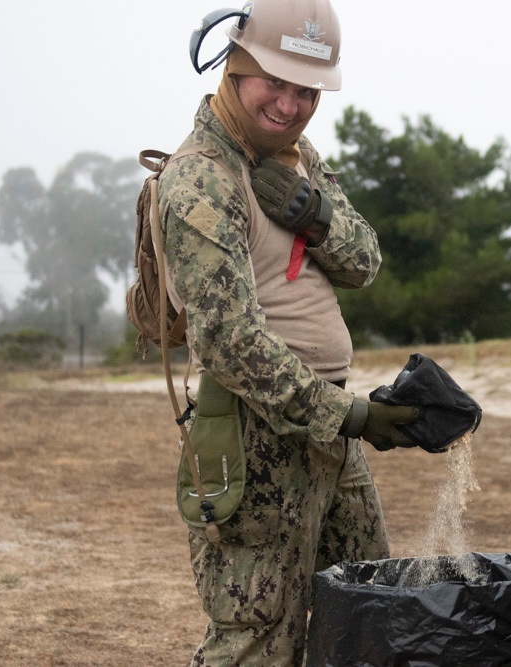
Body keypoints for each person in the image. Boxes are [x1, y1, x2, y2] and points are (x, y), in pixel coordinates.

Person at [157, 1, 419, 664]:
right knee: (258, 644)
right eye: (276, 82)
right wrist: (351, 413)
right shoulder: (200, 178)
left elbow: (365, 261)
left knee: (369, 610)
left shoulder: (297, 159)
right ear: (236, 68)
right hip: (254, 437)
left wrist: (314, 213)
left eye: (307, 92)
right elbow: (228, 341)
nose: (290, 105)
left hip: (326, 433)